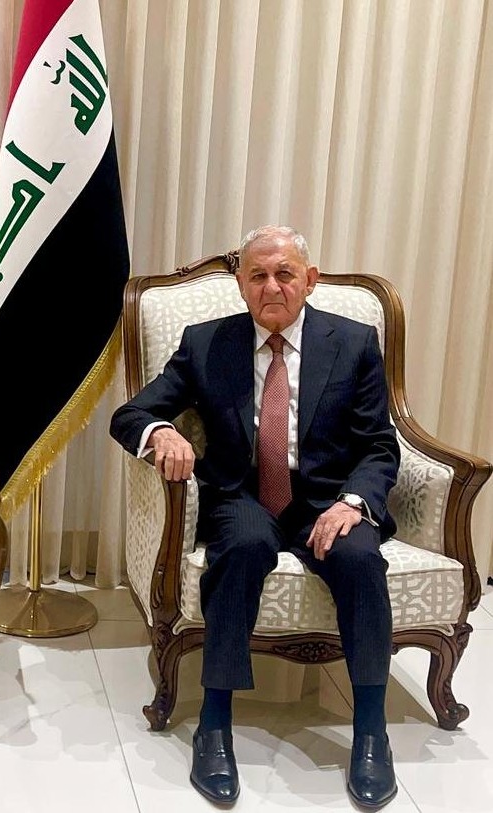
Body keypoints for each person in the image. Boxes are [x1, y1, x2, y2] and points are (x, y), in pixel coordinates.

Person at [109, 225, 400, 808]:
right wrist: (161, 431)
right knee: (240, 549)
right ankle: (214, 724)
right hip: (242, 496)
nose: (272, 287)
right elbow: (131, 413)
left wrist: (352, 503)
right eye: (258, 276)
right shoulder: (206, 343)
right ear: (241, 285)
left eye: (284, 274)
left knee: (361, 560)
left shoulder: (354, 341)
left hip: (329, 501)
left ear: (309, 281)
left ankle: (372, 730)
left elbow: (379, 444)